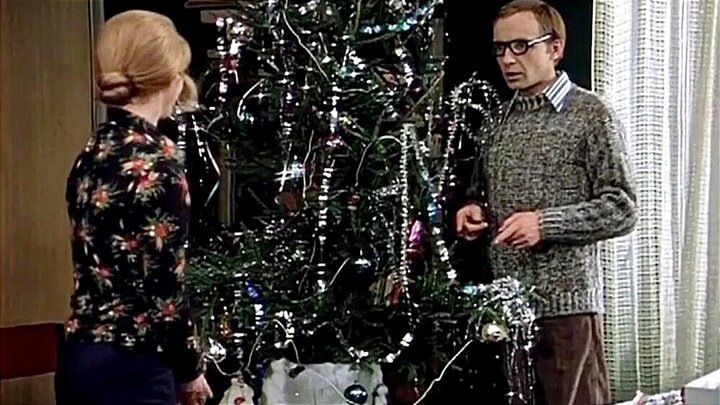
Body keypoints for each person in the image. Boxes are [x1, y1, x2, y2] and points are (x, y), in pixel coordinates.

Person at [455, 1, 637, 404]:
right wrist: (473, 212)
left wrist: (545, 224)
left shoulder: (591, 114)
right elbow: (480, 194)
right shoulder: (497, 121)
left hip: (567, 312)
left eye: (521, 45)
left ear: (555, 48)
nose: (508, 59)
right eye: (500, 49)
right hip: (506, 313)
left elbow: (622, 207)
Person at [57, 10, 213, 405]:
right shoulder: (158, 164)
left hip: (80, 359)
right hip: (135, 366)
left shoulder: (92, 152)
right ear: (172, 79)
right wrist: (191, 371)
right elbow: (165, 291)